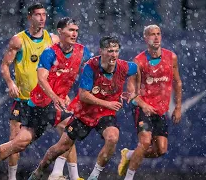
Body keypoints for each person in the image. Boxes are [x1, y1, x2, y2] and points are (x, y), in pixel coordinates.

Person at [0, 16, 90, 180]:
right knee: (66, 130)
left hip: (53, 104)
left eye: (76, 31)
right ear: (60, 31)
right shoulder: (49, 53)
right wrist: (56, 97)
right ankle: (51, 173)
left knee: (24, 142)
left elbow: (94, 66)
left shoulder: (82, 50)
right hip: (40, 104)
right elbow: (42, 79)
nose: (74, 34)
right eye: (71, 30)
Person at [28, 36, 138, 180]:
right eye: (110, 51)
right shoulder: (91, 66)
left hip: (105, 113)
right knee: (62, 146)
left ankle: (94, 176)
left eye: (116, 51)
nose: (114, 55)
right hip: (85, 112)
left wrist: (134, 90)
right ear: (101, 51)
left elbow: (137, 68)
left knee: (112, 138)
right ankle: (39, 170)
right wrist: (108, 103)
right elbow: (84, 95)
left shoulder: (125, 66)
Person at [0, 3, 59, 180]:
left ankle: (66, 174)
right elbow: (4, 65)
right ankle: (12, 178)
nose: (42, 18)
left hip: (47, 100)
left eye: (44, 14)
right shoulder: (18, 40)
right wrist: (10, 83)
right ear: (29, 17)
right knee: (14, 140)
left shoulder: (52, 40)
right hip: (24, 100)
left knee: (68, 132)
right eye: (37, 15)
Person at [117, 24, 182, 180]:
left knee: (161, 150)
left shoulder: (171, 57)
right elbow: (131, 90)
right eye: (152, 34)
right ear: (145, 38)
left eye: (158, 33)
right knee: (145, 142)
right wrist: (143, 105)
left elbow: (177, 82)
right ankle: (129, 178)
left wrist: (178, 106)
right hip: (143, 108)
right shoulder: (138, 61)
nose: (156, 37)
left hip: (160, 111)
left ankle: (129, 154)